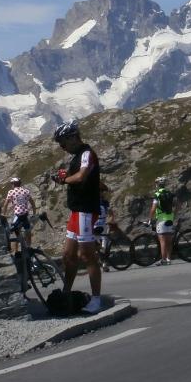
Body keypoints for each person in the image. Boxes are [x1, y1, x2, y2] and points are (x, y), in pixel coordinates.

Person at [53, 121, 104, 314]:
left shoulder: (86, 153)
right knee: (68, 256)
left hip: (86, 210)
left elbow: (82, 176)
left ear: (73, 137)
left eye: (63, 142)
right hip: (76, 211)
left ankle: (96, 299)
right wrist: (65, 176)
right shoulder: (77, 156)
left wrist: (64, 180)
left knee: (87, 255)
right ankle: (67, 292)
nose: (62, 146)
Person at [0, 175, 36, 255]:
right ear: (19, 183)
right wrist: (34, 212)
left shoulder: (11, 192)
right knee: (28, 231)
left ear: (13, 184)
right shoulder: (26, 191)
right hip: (25, 214)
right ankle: (28, 247)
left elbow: (6, 204)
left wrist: (3, 214)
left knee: (15, 232)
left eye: (11, 184)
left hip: (17, 215)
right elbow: (32, 202)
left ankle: (15, 251)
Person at [149, 176, 177, 265]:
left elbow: (153, 209)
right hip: (170, 218)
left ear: (157, 185)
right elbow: (178, 204)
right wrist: (174, 213)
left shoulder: (157, 194)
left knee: (162, 240)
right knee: (169, 240)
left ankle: (163, 259)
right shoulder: (170, 193)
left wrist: (150, 219)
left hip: (161, 219)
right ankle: (169, 259)